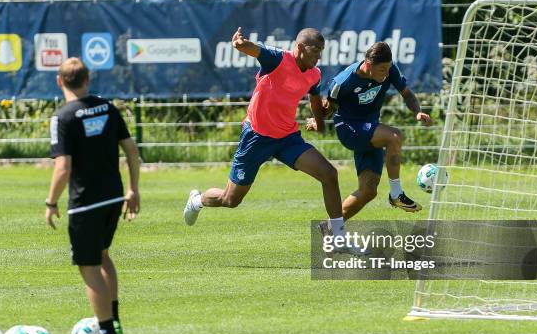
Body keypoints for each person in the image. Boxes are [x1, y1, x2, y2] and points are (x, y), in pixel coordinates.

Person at [183, 27, 359, 254]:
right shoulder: (278, 59)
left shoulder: (314, 73)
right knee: (231, 199)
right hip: (256, 136)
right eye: (315, 51)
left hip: (287, 138)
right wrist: (239, 44)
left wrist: (319, 122)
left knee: (329, 174)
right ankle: (196, 201)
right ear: (299, 48)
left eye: (321, 52)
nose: (318, 57)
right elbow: (254, 49)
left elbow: (315, 99)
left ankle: (338, 237)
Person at [45, 57, 141, 334]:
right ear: (87, 79)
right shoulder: (108, 107)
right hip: (114, 197)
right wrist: (133, 189)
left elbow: (63, 167)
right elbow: (131, 150)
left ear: (59, 81)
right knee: (103, 256)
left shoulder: (63, 117)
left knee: (89, 267)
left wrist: (50, 202)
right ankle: (115, 324)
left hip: (85, 203)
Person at [307, 41, 432, 221]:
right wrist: (318, 120)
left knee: (368, 191)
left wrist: (417, 111)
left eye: (388, 68)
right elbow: (329, 106)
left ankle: (330, 228)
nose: (386, 73)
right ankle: (396, 194)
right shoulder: (343, 82)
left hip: (370, 129)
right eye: (382, 69)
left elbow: (407, 94)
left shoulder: (390, 70)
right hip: (349, 129)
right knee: (394, 136)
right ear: (367, 64)